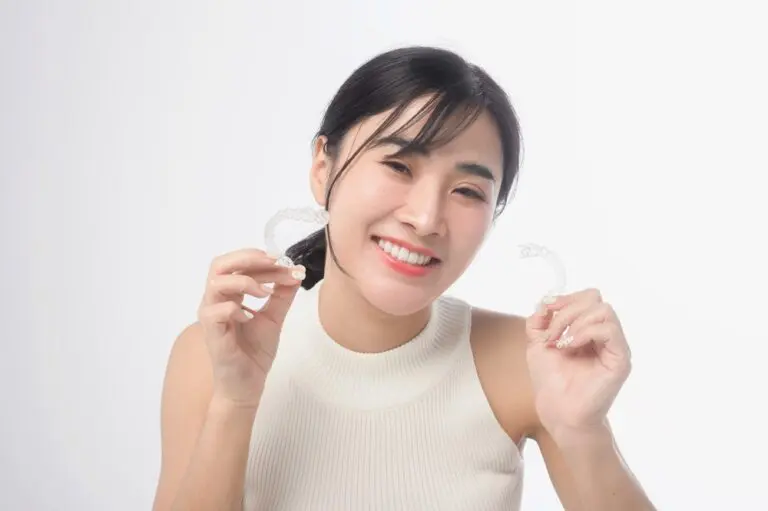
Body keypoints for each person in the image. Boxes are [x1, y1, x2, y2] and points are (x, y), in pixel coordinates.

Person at [152, 47, 656, 511]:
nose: (426, 218)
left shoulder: (527, 364)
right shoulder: (215, 356)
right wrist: (235, 403)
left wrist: (583, 432)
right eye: (398, 165)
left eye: (467, 191)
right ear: (323, 169)